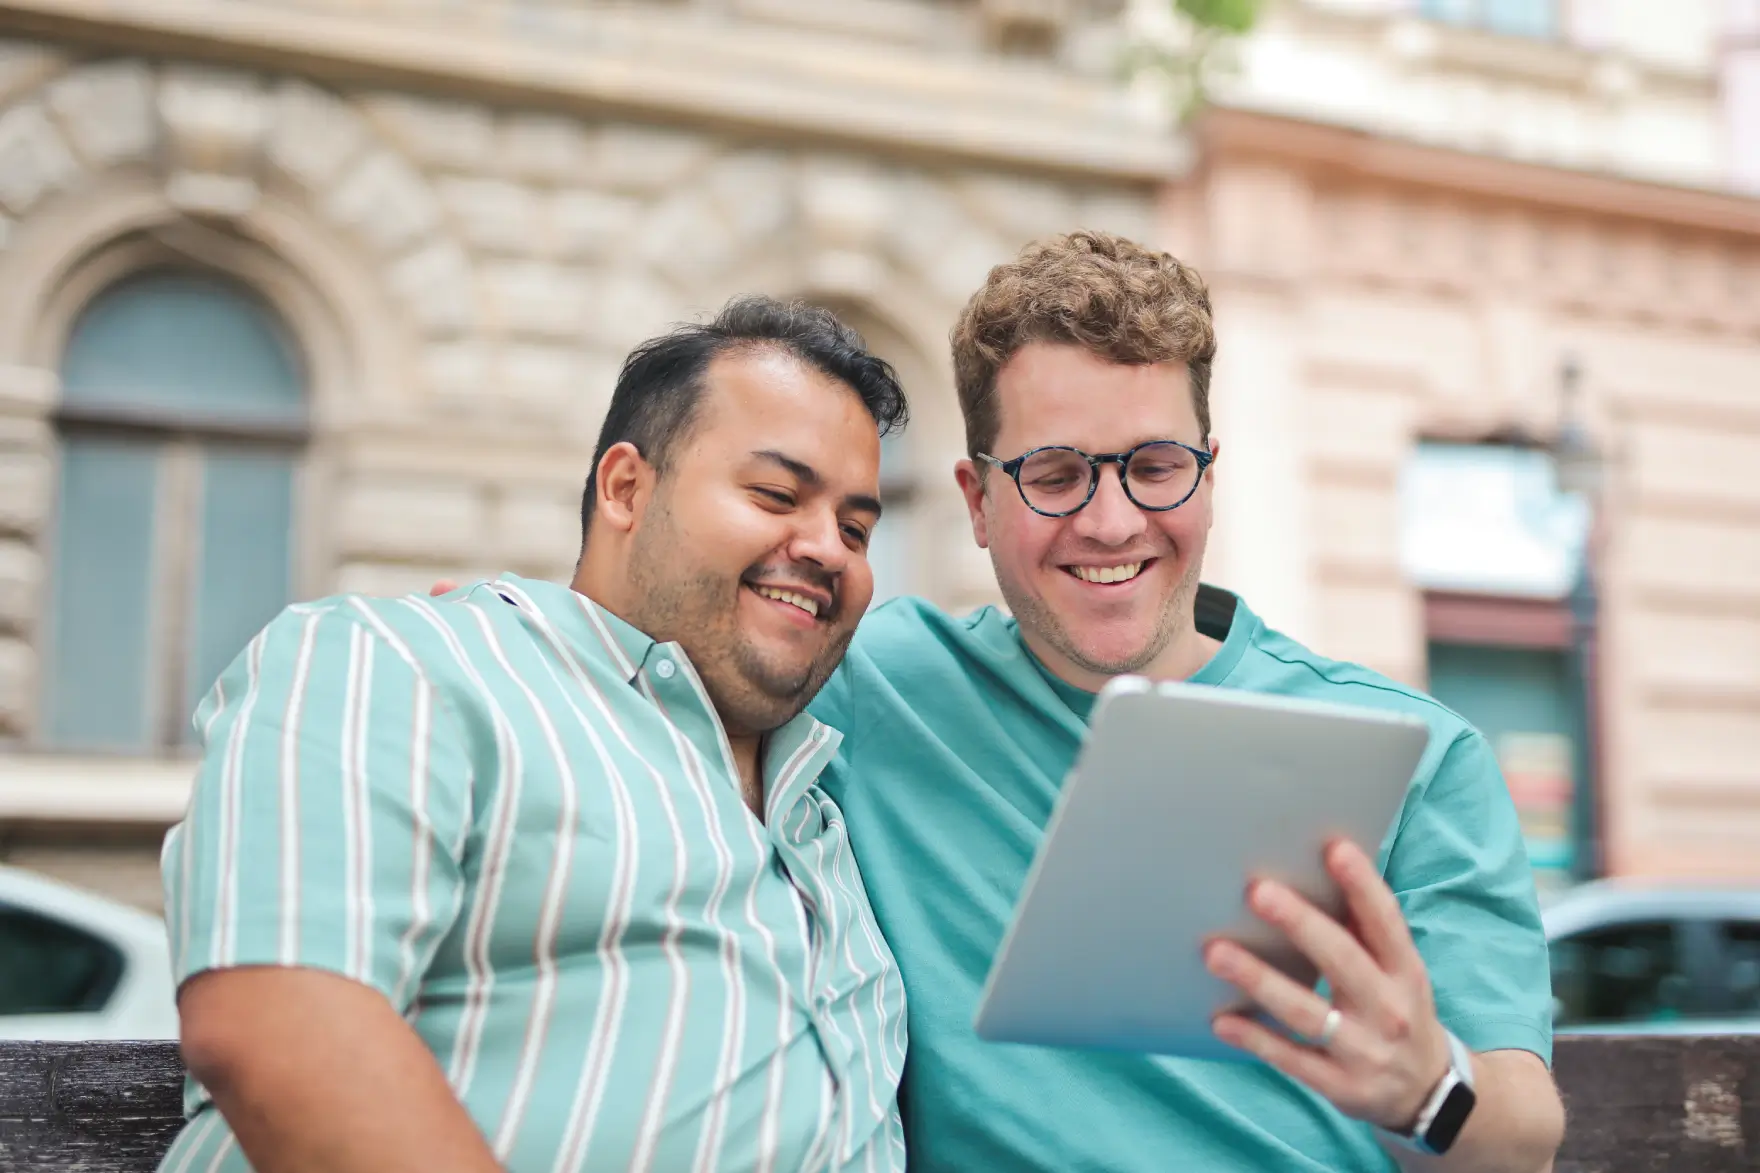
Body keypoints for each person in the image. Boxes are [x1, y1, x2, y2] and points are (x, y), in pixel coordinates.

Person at [808, 231, 1567, 1171]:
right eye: (1054, 476)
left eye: (1156, 466)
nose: (1112, 521)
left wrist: (1429, 1087)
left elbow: (1523, 1137)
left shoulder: (1414, 754)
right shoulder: (868, 681)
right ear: (975, 500)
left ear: (1209, 471)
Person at [157, 297, 911, 1173]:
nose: (828, 549)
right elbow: (277, 1024)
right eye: (777, 494)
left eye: (857, 529)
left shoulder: (824, 803)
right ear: (626, 487)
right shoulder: (403, 662)